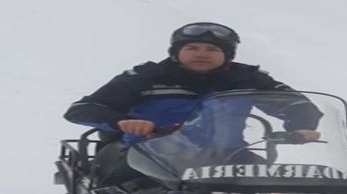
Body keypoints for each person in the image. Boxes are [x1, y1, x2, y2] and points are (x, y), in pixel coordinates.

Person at [64, 22, 322, 182]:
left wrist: (301, 126)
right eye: (192, 48)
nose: (201, 54)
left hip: (228, 156)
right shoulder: (147, 76)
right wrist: (123, 122)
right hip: (151, 155)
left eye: (212, 50)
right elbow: (82, 110)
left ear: (227, 55)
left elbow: (295, 104)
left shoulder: (246, 78)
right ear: (177, 53)